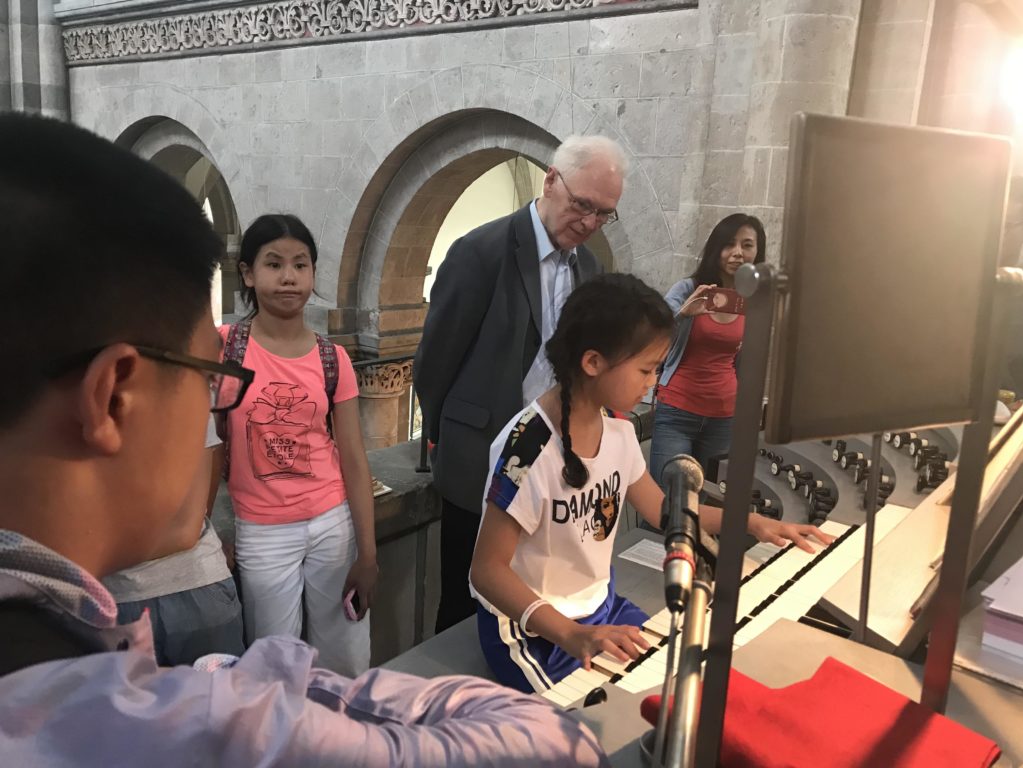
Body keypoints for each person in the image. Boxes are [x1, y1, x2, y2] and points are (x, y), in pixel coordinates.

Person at [0, 112, 608, 768]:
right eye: (208, 371)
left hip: (326, 530)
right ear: (115, 396)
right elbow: (554, 745)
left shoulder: (62, 647)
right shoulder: (187, 724)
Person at [469, 273, 832, 693]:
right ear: (592, 362)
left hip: (601, 608)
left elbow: (663, 510)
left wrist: (750, 521)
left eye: (657, 368)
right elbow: (486, 571)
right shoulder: (527, 449)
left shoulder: (618, 433)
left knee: (675, 684)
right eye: (646, 369)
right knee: (605, 713)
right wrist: (570, 634)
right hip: (532, 633)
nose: (654, 381)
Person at [415, 135, 624, 633]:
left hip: (551, 458)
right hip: (481, 452)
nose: (590, 223)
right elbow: (435, 360)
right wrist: (444, 434)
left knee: (530, 591)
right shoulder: (480, 252)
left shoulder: (589, 266)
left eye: (604, 214)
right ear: (551, 180)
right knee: (466, 599)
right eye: (583, 205)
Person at [221, 213, 376, 677]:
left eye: (300, 264)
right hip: (262, 529)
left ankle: (344, 741)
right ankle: (286, 747)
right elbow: (206, 443)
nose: (288, 277)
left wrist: (367, 552)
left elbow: (352, 457)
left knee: (345, 655)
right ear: (248, 274)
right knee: (274, 662)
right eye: (273, 264)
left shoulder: (333, 358)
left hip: (332, 522)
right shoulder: (225, 349)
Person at [101, 415, 244, 666]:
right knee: (216, 700)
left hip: (189, 586)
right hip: (183, 585)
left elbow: (187, 528)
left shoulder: (185, 399)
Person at [648, 213, 766, 488]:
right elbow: (648, 332)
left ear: (757, 252)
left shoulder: (754, 301)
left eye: (747, 245)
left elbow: (746, 361)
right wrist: (683, 313)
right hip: (677, 411)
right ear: (716, 249)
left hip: (725, 416)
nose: (737, 253)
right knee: (667, 500)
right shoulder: (689, 289)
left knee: (706, 500)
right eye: (729, 244)